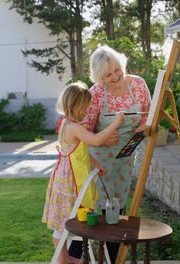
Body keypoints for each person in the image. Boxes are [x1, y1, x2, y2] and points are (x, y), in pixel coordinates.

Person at [68, 45, 151, 263]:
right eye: (108, 75)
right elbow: (83, 131)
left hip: (125, 159)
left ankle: (114, 260)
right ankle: (78, 257)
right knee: (92, 214)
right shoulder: (95, 94)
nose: (115, 76)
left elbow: (147, 117)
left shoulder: (139, 85)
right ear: (99, 77)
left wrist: (142, 129)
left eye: (117, 70)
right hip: (100, 161)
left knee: (117, 215)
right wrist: (103, 137)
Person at [42, 82, 125, 264]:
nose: (88, 110)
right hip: (69, 183)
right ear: (77, 106)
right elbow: (95, 141)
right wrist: (116, 123)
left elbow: (81, 152)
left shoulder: (68, 124)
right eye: (85, 106)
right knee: (62, 224)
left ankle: (66, 258)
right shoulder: (73, 127)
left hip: (67, 179)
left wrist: (96, 165)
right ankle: (62, 259)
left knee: (65, 223)